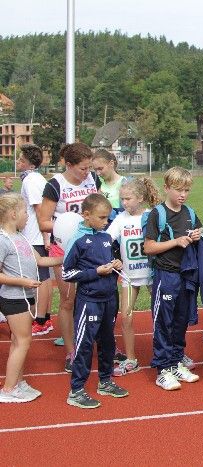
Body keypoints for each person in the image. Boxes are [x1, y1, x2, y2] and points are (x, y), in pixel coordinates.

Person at [62, 193, 129, 408]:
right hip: (89, 301)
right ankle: (76, 390)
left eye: (107, 218)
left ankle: (105, 381)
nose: (105, 222)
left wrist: (116, 264)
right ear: (86, 215)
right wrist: (95, 272)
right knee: (84, 344)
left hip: (109, 298)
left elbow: (109, 261)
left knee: (108, 342)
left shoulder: (106, 237)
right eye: (101, 218)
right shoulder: (77, 240)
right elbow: (67, 273)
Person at [37, 142, 99, 372]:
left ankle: (97, 343)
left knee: (95, 297)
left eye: (89, 167)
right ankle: (71, 352)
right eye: (83, 168)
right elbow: (43, 221)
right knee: (68, 300)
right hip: (64, 249)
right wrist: (68, 224)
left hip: (91, 247)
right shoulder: (55, 185)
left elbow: (100, 207)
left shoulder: (93, 179)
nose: (87, 172)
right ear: (69, 165)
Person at [0, 193, 63, 403]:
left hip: (26, 296)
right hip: (14, 297)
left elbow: (41, 261)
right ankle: (9, 389)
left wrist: (67, 258)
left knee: (18, 341)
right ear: (12, 214)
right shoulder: (3, 240)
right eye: (24, 212)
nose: (28, 216)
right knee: (23, 341)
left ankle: (18, 382)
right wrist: (22, 281)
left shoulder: (22, 237)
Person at [143, 167, 203, 390]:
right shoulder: (157, 214)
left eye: (186, 190)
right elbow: (148, 247)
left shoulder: (190, 213)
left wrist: (196, 236)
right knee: (163, 322)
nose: (183, 194)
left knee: (180, 321)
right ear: (167, 188)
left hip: (185, 275)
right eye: (178, 190)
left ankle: (176, 362)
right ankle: (162, 369)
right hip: (165, 275)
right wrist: (175, 242)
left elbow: (197, 235)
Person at [106, 177, 160, 376]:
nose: (124, 203)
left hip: (152, 274)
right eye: (122, 199)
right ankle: (131, 359)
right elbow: (107, 240)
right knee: (126, 317)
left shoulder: (152, 215)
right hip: (129, 276)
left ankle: (171, 353)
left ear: (140, 198)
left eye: (128, 199)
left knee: (162, 316)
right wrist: (113, 258)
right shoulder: (120, 219)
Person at [16, 144, 53, 337]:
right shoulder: (36, 178)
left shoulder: (31, 180)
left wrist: (46, 236)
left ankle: (40, 320)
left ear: (29, 164)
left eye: (21, 159)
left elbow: (40, 210)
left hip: (35, 235)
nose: (18, 162)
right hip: (37, 234)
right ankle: (45, 317)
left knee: (40, 278)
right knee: (44, 277)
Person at [92, 149, 126, 218]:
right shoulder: (96, 182)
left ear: (111, 164)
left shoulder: (125, 183)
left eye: (100, 168)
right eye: (95, 170)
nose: (98, 173)